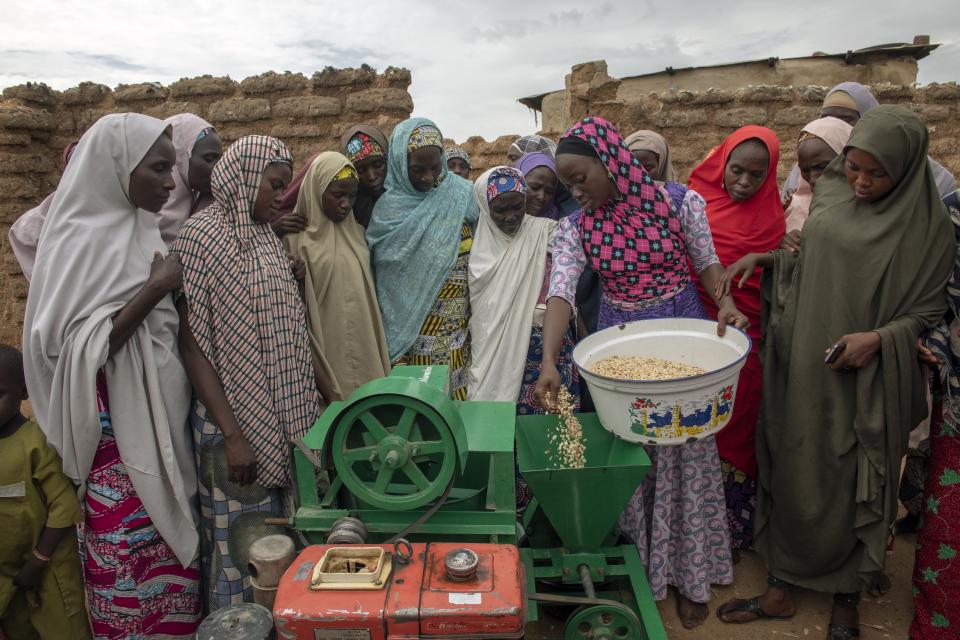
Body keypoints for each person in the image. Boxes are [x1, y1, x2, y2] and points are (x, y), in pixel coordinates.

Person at [715, 106, 954, 640]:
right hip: (805, 357)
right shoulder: (832, 195)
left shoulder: (928, 228)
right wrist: (770, 261)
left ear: (908, 168)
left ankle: (846, 594)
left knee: (854, 476)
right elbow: (816, 261)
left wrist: (877, 340)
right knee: (793, 460)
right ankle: (780, 587)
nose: (861, 182)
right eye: (855, 168)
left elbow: (927, 311)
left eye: (877, 173)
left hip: (865, 373)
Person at [534, 116, 748, 629]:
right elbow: (561, 291)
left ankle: (690, 578)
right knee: (632, 456)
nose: (575, 189)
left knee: (686, 449)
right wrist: (548, 361)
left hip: (683, 343)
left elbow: (709, 265)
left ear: (611, 162)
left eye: (581, 176)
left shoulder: (678, 203)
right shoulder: (576, 227)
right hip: (620, 346)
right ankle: (641, 573)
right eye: (567, 183)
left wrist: (726, 304)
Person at [23, 113, 201, 637]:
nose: (172, 182)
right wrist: (152, 290)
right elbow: (66, 349)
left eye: (173, 168)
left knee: (172, 576)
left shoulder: (143, 227)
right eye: (159, 169)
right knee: (125, 565)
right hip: (114, 445)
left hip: (160, 420)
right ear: (118, 167)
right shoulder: (76, 240)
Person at [173, 135, 321, 609]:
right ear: (242, 178)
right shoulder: (200, 236)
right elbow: (193, 343)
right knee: (241, 546)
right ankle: (237, 623)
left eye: (284, 188)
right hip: (230, 424)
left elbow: (289, 329)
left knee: (283, 542)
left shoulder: (264, 236)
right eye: (274, 186)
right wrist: (234, 435)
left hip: (284, 419)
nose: (281, 196)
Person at [687, 126, 786, 554]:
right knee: (691, 426)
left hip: (746, 337)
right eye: (737, 171)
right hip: (695, 331)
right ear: (721, 163)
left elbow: (780, 281)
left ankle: (731, 533)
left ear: (771, 175)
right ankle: (691, 528)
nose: (744, 183)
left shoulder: (774, 219)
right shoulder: (693, 201)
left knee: (737, 426)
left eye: (756, 175)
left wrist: (777, 256)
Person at [367, 117, 478, 399]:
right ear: (400, 164)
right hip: (412, 335)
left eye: (434, 167)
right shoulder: (387, 212)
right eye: (417, 169)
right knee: (421, 405)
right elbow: (386, 280)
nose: (428, 177)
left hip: (459, 330)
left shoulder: (461, 193)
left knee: (457, 404)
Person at [467, 166, 576, 413]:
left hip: (543, 351)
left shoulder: (543, 230)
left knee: (546, 431)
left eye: (517, 206)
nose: (510, 216)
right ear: (485, 207)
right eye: (500, 210)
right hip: (492, 356)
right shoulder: (478, 249)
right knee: (497, 425)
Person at [0, 344, 91, 639]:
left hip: (49, 566)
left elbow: (63, 505)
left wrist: (39, 559)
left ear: (24, 391)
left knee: (63, 628)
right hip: (7, 574)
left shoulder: (35, 443)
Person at [286, 151, 391, 402]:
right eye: (337, 195)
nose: (345, 204)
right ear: (316, 189)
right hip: (324, 346)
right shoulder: (295, 241)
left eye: (351, 196)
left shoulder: (359, 235)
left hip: (363, 344)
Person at [912, 187, 960, 640]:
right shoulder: (954, 210)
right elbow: (936, 299)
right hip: (959, 393)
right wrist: (938, 344)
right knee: (951, 519)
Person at [782, 82, 956, 199]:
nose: (833, 125)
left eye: (846, 119)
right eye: (826, 117)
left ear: (868, 121)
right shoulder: (803, 171)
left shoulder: (928, 176)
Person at [781, 117, 853, 249]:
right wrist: (784, 243)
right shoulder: (793, 207)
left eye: (821, 167)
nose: (813, 179)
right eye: (805, 170)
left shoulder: (866, 206)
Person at [341, 125, 390, 228]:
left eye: (378, 165)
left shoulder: (412, 197)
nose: (371, 177)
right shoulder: (343, 207)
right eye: (360, 170)